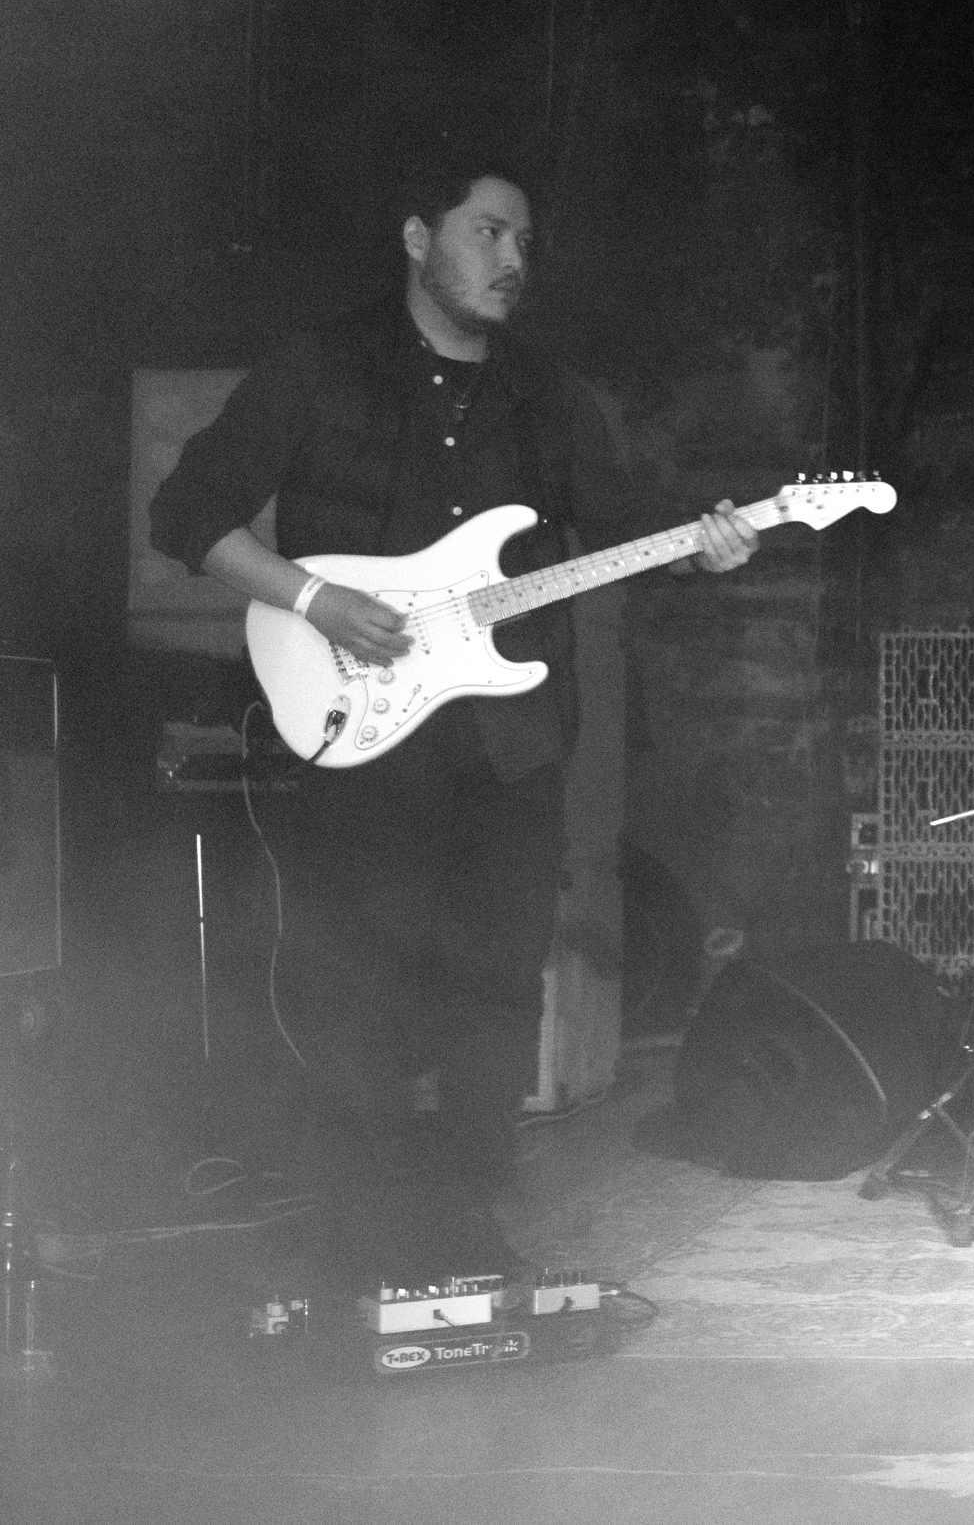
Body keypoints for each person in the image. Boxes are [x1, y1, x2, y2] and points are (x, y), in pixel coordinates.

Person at [151, 146, 760, 1285]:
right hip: (358, 735)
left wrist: (703, 542)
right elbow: (187, 514)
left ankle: (470, 1227)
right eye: (489, 231)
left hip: (506, 745)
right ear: (418, 237)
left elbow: (625, 526)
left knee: (496, 990)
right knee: (358, 989)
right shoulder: (319, 368)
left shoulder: (546, 395)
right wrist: (317, 599)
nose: (514, 257)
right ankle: (367, 1234)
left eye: (525, 240)